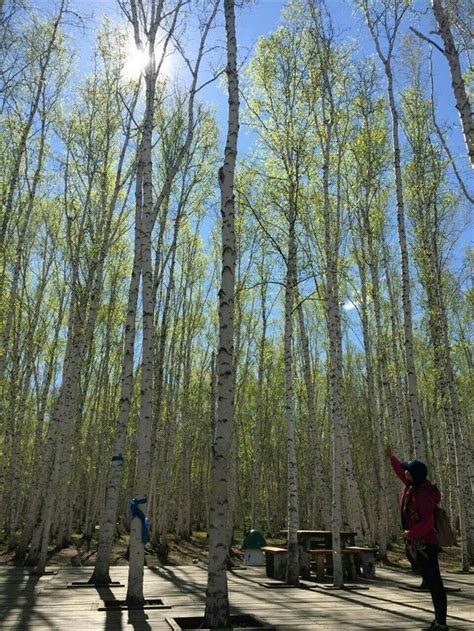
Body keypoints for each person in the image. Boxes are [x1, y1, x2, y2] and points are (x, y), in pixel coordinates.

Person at [385, 444, 448, 631]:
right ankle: (439, 622)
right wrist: (392, 458)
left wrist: (410, 533)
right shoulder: (414, 486)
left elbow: (427, 523)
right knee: (432, 582)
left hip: (426, 544)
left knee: (436, 585)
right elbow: (399, 471)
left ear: (414, 475)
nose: (404, 473)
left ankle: (441, 624)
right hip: (421, 544)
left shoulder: (421, 495)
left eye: (408, 471)